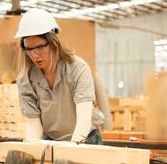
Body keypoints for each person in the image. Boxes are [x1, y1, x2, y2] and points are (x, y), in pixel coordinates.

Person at [15, 8, 104, 144]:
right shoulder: (25, 79)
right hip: (51, 140)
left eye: (40, 48)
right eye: (29, 49)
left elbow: (83, 120)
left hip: (85, 139)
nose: (34, 55)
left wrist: (72, 149)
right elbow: (34, 126)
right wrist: (30, 149)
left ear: (53, 43)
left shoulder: (77, 69)